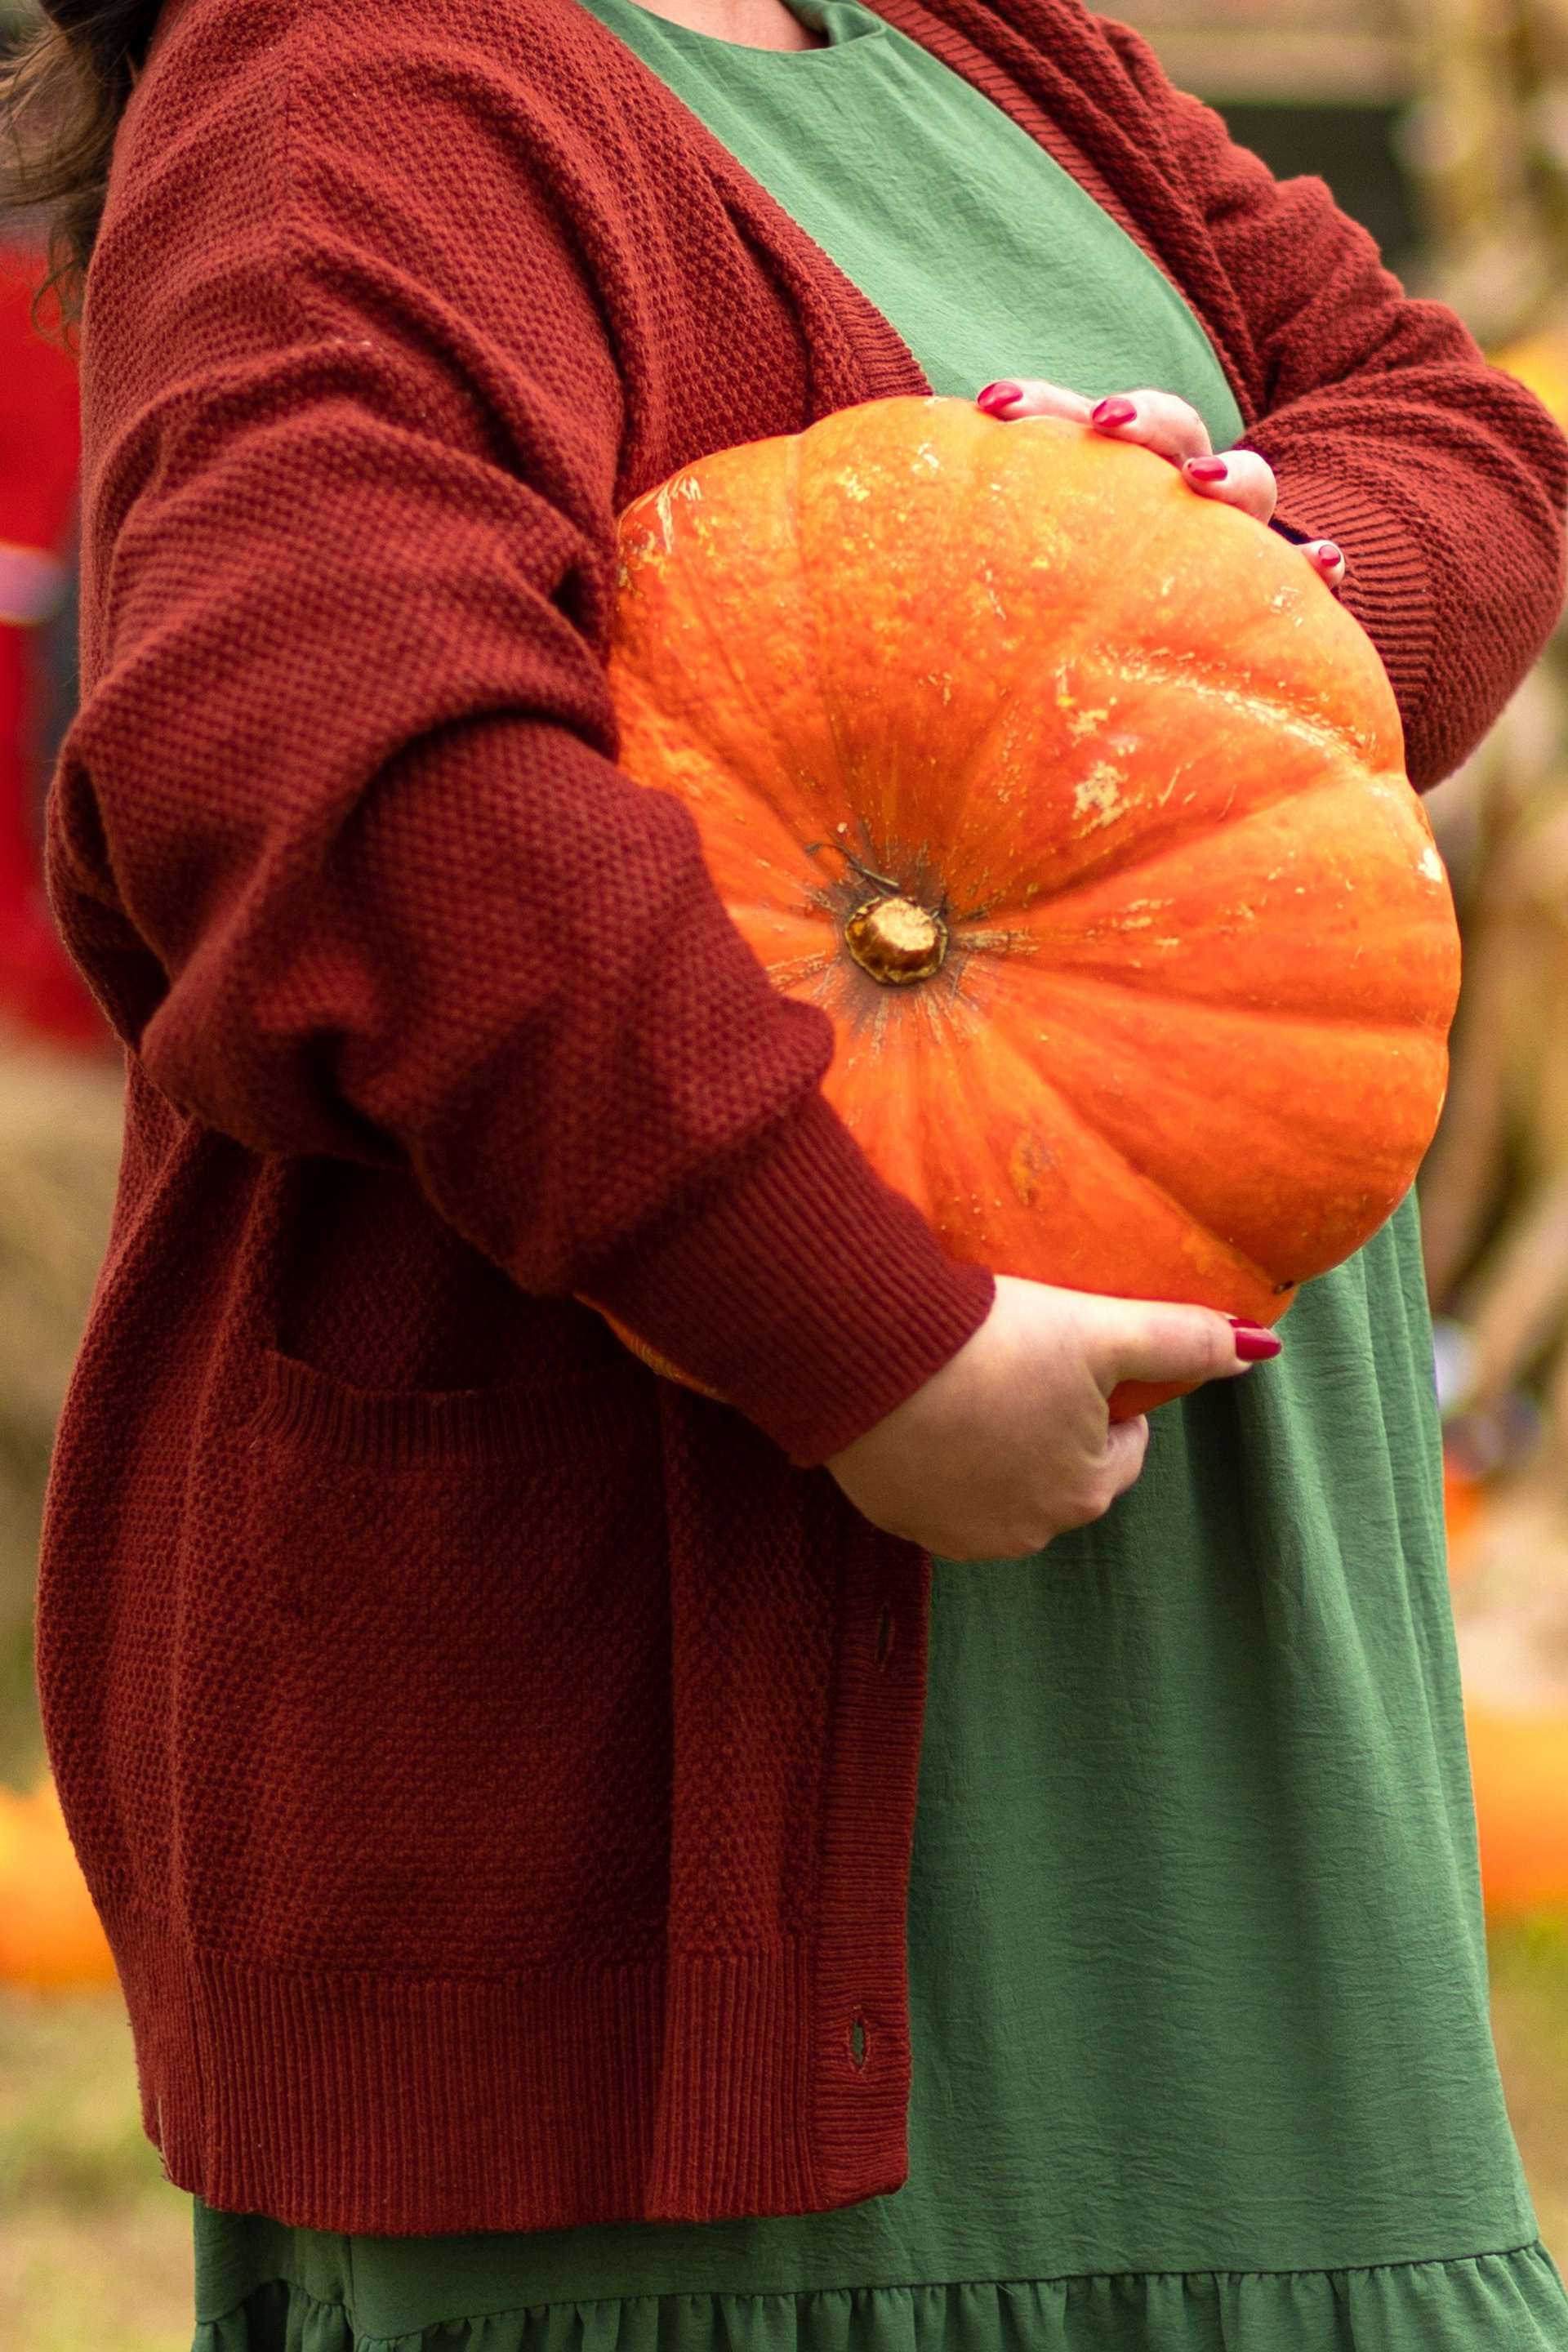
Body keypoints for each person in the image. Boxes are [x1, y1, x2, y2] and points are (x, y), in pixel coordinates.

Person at [4, 0, 1567, 2342]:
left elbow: (1461, 430)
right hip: (709, 1787)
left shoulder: (987, 40)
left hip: (1232, 1708)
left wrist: (1256, 588)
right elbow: (337, 748)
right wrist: (861, 1329)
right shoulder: (359, 77)